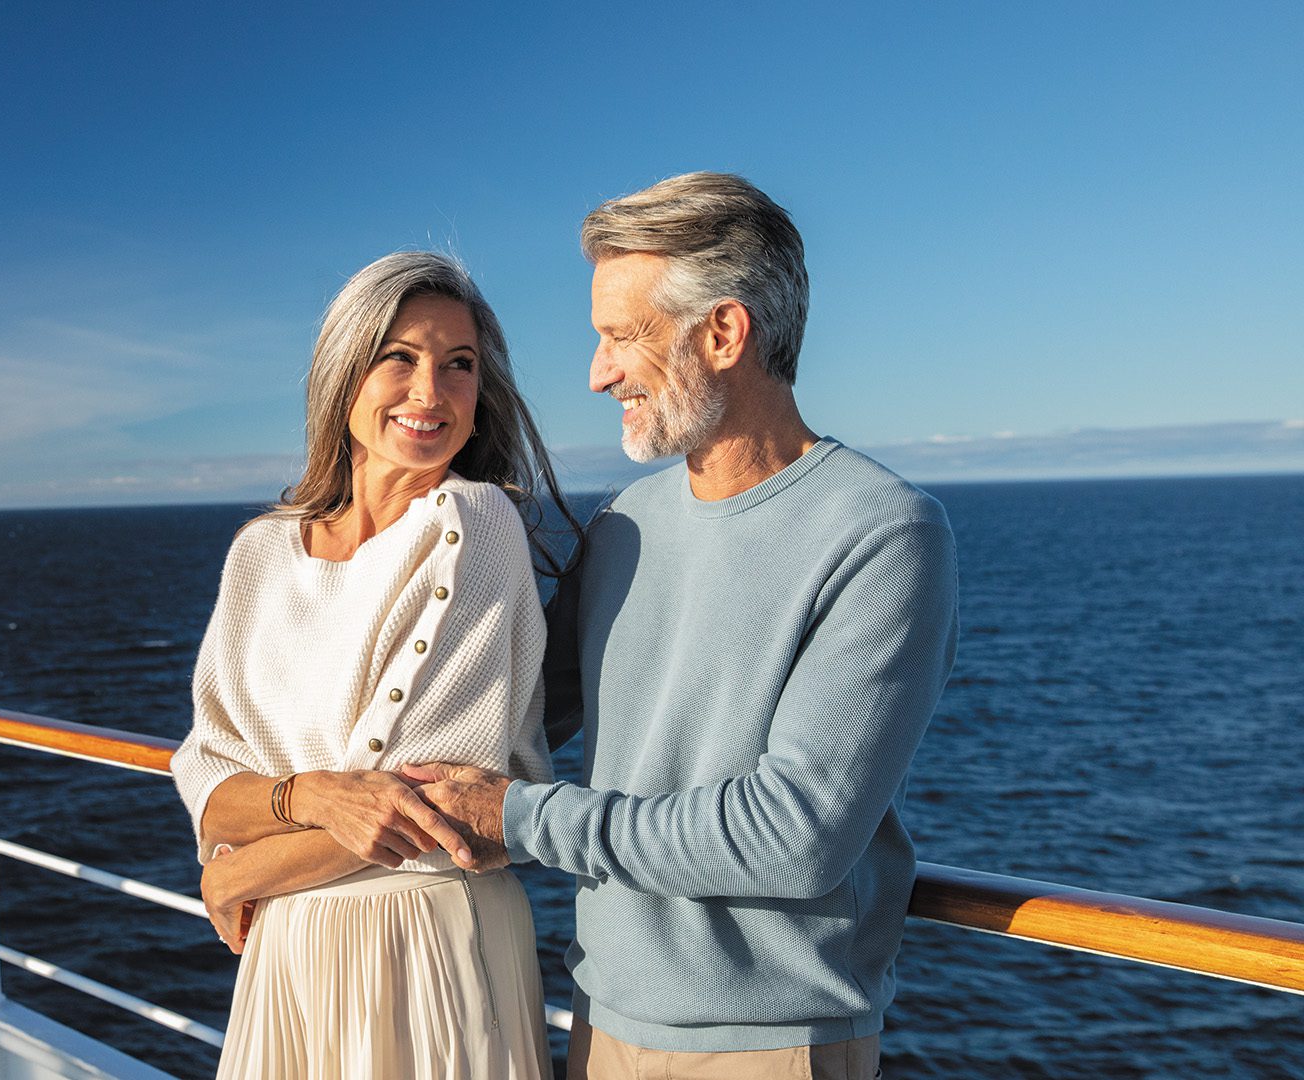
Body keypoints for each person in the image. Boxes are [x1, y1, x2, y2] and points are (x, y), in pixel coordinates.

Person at [406, 173, 960, 1079]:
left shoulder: (884, 531)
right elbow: (498, 715)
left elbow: (794, 838)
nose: (597, 372)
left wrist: (517, 817)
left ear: (726, 332)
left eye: (623, 336)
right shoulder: (626, 523)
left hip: (772, 1047)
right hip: (600, 1016)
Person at [170, 250, 577, 1079]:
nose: (431, 394)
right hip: (288, 951)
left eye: (459, 365)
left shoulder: (472, 521)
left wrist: (238, 872)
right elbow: (208, 777)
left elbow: (421, 800)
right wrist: (309, 796)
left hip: (422, 936)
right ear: (343, 373)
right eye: (401, 357)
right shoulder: (261, 554)